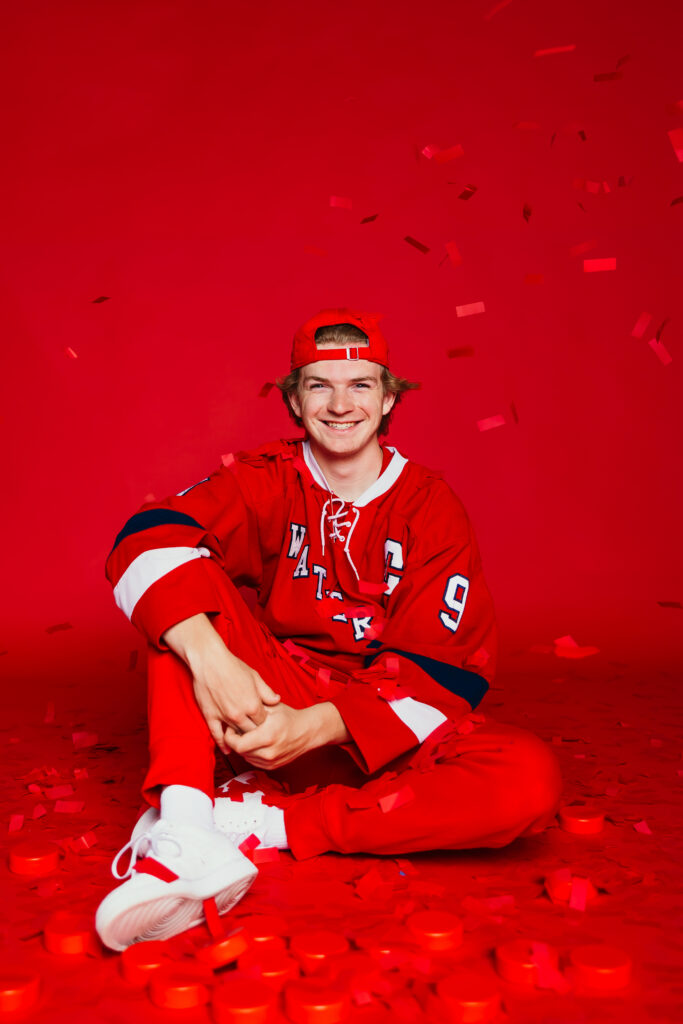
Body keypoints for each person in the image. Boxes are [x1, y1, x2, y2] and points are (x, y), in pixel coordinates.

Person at [95, 308, 562, 951]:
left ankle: (256, 822)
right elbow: (146, 541)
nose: (340, 404)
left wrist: (312, 729)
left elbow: (445, 671)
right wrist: (213, 660)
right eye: (319, 385)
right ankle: (183, 827)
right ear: (294, 399)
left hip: (380, 732)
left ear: (389, 395)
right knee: (181, 598)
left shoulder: (431, 506)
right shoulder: (265, 477)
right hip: (262, 701)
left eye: (361, 384)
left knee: (526, 778)